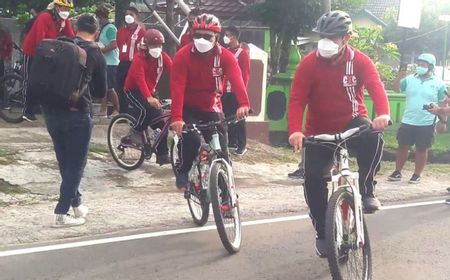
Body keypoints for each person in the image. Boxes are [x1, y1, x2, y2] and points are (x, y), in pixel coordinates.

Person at [287, 11, 390, 257]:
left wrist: (383, 114)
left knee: (374, 138)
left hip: (352, 123)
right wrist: (295, 131)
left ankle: (367, 191)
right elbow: (297, 99)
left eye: (333, 37)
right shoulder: (308, 63)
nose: (327, 41)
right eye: (324, 36)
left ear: (346, 38)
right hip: (318, 131)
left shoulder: (361, 61)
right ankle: (323, 233)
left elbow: (376, 87)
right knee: (312, 180)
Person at [38, 14, 107, 227]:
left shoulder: (62, 45)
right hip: (77, 113)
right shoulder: (95, 53)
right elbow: (100, 91)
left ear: (75, 28)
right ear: (96, 32)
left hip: (51, 112)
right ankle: (61, 213)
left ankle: (76, 203)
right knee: (76, 165)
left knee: (65, 161)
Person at [170, 14, 250, 190]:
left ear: (217, 38)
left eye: (207, 37)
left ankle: (226, 194)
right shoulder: (182, 56)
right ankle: (183, 170)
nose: (202, 40)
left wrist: (244, 103)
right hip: (188, 107)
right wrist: (176, 117)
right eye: (197, 35)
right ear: (192, 35)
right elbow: (177, 88)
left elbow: (237, 81)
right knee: (191, 140)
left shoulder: (226, 57)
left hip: (212, 106)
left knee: (222, 149)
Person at [387, 53, 448, 184]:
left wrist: (443, 120)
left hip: (427, 121)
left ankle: (416, 174)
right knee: (403, 146)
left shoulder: (438, 83)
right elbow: (396, 89)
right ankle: (397, 171)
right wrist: (400, 76)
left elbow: (443, 103)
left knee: (422, 148)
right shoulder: (409, 79)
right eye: (418, 64)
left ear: (430, 66)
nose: (420, 66)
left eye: (423, 64)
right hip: (408, 119)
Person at [121, 29, 172, 165]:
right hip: (133, 90)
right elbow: (140, 79)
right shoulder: (139, 58)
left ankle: (162, 155)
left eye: (159, 46)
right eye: (153, 46)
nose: (157, 49)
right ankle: (135, 133)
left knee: (161, 125)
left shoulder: (164, 57)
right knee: (145, 109)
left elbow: (175, 72)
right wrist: (149, 98)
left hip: (151, 91)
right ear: (146, 45)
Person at [22, 0, 75, 121]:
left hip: (48, 53)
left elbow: (71, 36)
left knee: (45, 81)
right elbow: (40, 39)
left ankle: (39, 105)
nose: (66, 12)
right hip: (32, 52)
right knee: (29, 80)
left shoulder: (63, 20)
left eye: (68, 9)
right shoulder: (44, 17)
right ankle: (26, 109)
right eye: (64, 8)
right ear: (56, 7)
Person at [221, 26, 250, 156]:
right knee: (227, 117)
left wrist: (241, 92)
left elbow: (246, 74)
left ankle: (242, 145)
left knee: (239, 119)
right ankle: (231, 142)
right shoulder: (226, 51)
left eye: (228, 35)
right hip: (224, 90)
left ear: (234, 36)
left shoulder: (242, 53)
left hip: (236, 91)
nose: (225, 37)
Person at [116, 6, 146, 114]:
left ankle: (136, 112)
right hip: (123, 63)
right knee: (120, 88)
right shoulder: (121, 30)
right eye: (127, 14)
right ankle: (123, 112)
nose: (128, 17)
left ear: (136, 17)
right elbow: (119, 44)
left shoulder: (141, 31)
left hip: (134, 64)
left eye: (131, 14)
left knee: (133, 89)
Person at [95, 4, 120, 117]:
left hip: (111, 63)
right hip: (104, 62)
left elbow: (114, 44)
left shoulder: (110, 28)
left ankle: (116, 109)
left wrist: (103, 50)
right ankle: (103, 109)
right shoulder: (103, 28)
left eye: (98, 17)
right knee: (103, 87)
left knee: (109, 88)